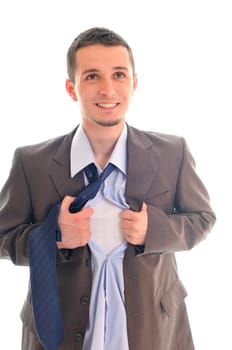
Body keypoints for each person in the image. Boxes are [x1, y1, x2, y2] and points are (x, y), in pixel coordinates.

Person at [0, 27, 216, 350]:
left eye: (118, 75)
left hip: (153, 332)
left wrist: (153, 229)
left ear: (134, 83)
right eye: (91, 77)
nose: (107, 89)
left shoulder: (173, 154)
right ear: (71, 88)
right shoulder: (32, 163)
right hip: (60, 334)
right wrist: (52, 236)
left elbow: (202, 218)